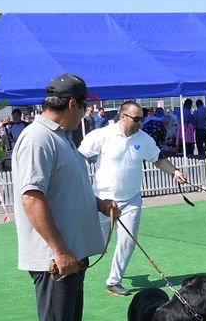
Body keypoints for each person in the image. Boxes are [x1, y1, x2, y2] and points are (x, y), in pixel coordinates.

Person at [11, 73, 120, 321]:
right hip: (54, 260)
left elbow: (65, 189)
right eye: (85, 104)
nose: (86, 111)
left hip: (69, 255)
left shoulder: (60, 138)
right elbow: (31, 197)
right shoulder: (37, 138)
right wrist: (58, 250)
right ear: (71, 104)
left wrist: (98, 203)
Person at [78, 100, 188, 297]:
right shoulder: (102, 135)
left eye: (141, 118)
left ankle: (114, 281)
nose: (139, 122)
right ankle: (73, 270)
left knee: (128, 241)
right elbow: (79, 157)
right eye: (136, 118)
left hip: (131, 200)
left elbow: (159, 159)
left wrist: (175, 172)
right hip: (102, 202)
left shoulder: (144, 139)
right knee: (96, 244)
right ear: (122, 116)